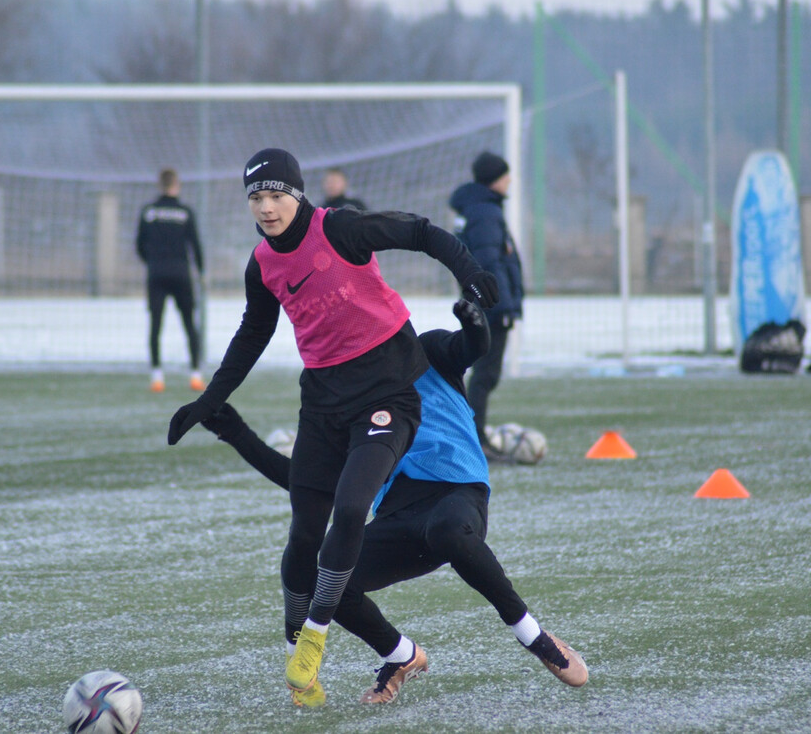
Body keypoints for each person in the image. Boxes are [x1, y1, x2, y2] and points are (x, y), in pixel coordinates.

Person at [167, 148, 499, 705]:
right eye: (256, 197)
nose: (267, 208)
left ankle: (315, 642)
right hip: (322, 399)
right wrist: (210, 401)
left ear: (297, 195)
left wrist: (471, 272)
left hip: (381, 394)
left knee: (346, 517)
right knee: (304, 534)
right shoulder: (262, 264)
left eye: (276, 195)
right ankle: (328, 649)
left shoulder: (340, 229)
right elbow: (252, 334)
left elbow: (418, 232)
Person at [200, 299, 587, 707]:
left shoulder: (428, 351)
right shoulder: (351, 397)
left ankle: (534, 637)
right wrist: (235, 432)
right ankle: (401, 656)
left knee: (448, 530)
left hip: (457, 494)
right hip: (399, 517)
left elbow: (472, 348)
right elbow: (304, 483)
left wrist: (474, 324)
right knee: (329, 583)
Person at [449, 151, 525, 458]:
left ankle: (471, 438)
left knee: (483, 375)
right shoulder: (485, 212)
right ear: (495, 178)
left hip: (481, 303)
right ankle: (474, 441)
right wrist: (501, 306)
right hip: (491, 306)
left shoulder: (476, 207)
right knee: (485, 375)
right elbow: (489, 261)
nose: (509, 181)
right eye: (505, 175)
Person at [136, 168, 205, 393]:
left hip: (157, 274)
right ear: (176, 185)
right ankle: (195, 374)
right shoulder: (185, 212)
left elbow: (139, 244)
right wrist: (201, 272)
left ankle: (157, 377)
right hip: (181, 274)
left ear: (159, 185)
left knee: (156, 324)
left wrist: (153, 262)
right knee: (188, 323)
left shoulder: (148, 212)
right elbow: (195, 245)